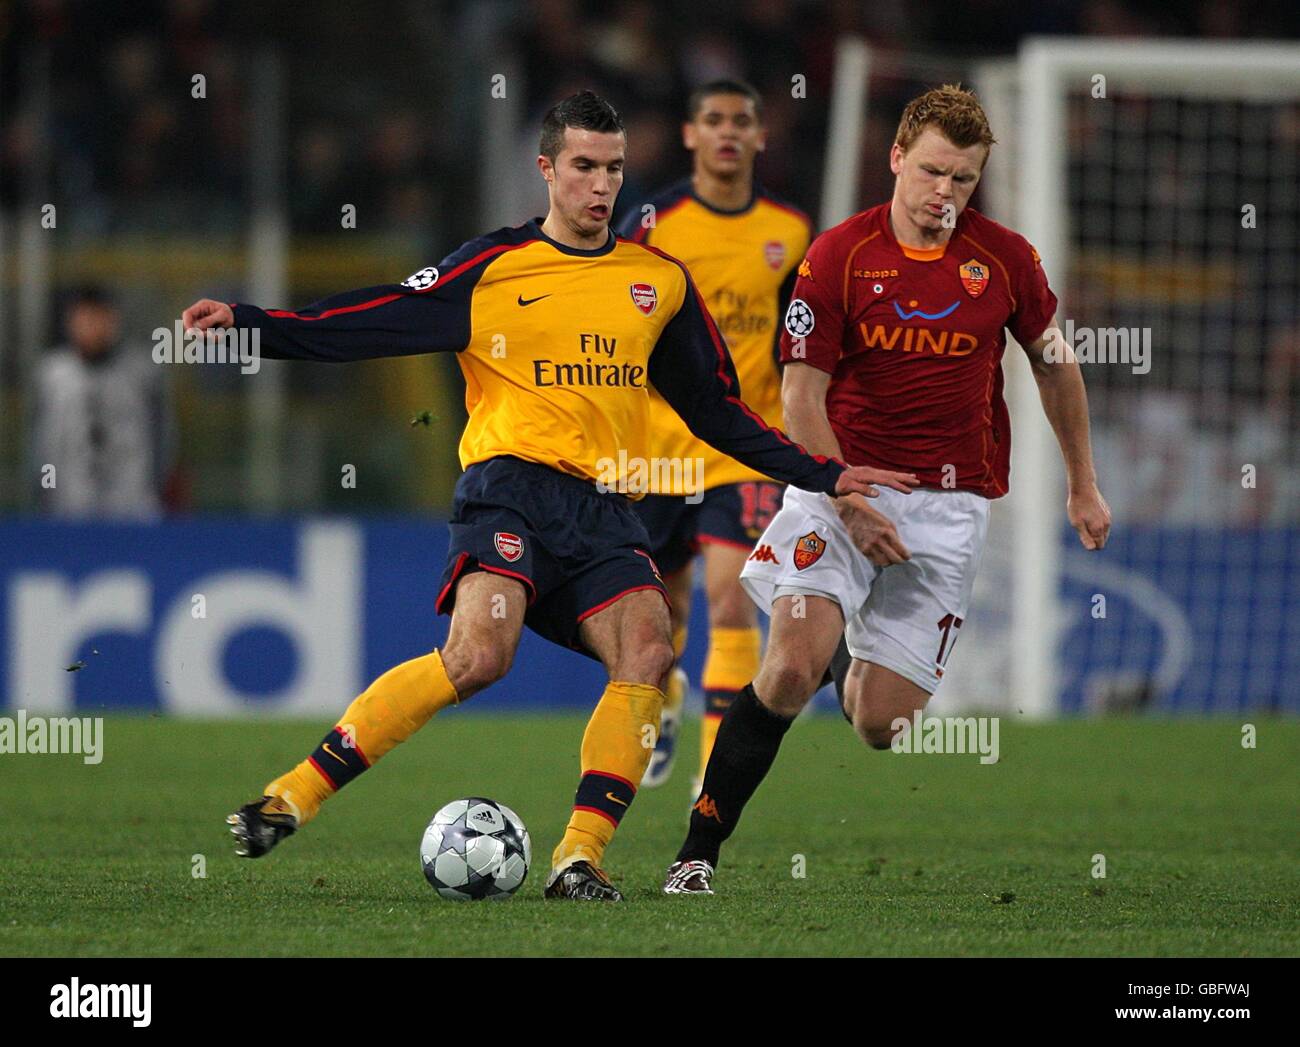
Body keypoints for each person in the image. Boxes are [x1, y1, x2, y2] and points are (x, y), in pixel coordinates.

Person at [182, 91, 914, 901]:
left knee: (649, 648)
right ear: (547, 169)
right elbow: (374, 319)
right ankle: (290, 796)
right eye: (583, 167)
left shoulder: (657, 281)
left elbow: (715, 410)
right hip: (510, 490)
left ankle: (578, 859)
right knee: (479, 656)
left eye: (613, 168)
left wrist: (822, 471)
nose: (600, 185)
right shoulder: (493, 267)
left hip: (605, 506)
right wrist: (252, 323)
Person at [663, 84, 1113, 895]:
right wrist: (846, 498)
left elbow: (1055, 364)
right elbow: (800, 397)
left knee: (880, 724)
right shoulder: (838, 255)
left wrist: (1083, 483)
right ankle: (697, 851)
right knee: (787, 669)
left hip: (950, 508)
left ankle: (845, 646)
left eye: (964, 179)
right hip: (839, 482)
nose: (946, 193)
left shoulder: (1005, 259)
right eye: (933, 172)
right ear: (897, 158)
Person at [614, 79, 814, 794]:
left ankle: (713, 772)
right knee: (661, 607)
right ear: (690, 134)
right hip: (657, 447)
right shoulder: (651, 223)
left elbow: (803, 339)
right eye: (714, 120)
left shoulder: (792, 230)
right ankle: (666, 696)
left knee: (730, 599)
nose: (728, 132)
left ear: (761, 136)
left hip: (743, 445)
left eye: (741, 121)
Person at [33, 285, 172, 518]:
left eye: (99, 319)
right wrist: (48, 493)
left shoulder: (142, 372)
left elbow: (161, 438)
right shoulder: (53, 375)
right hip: (70, 509)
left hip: (132, 509)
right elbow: (45, 445)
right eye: (84, 320)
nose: (92, 328)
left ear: (114, 321)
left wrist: (154, 488)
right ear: (70, 323)